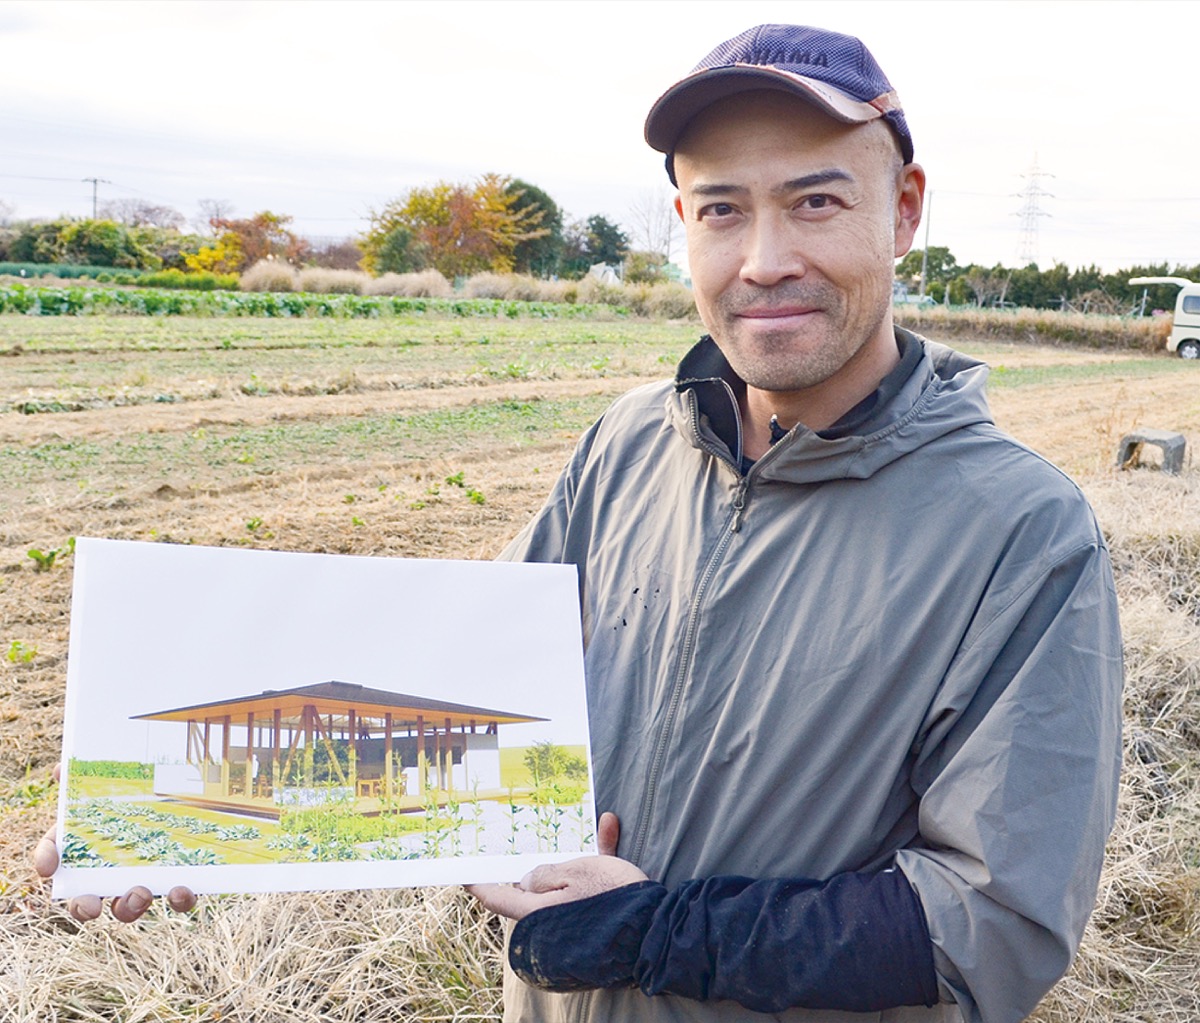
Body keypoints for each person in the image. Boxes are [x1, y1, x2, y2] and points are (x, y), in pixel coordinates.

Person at [36, 23, 1123, 1023]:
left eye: (817, 202)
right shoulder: (628, 446)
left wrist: (656, 932)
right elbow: (461, 708)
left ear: (907, 209)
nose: (764, 260)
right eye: (721, 209)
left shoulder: (1018, 531)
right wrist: (193, 804)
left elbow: (995, 927)